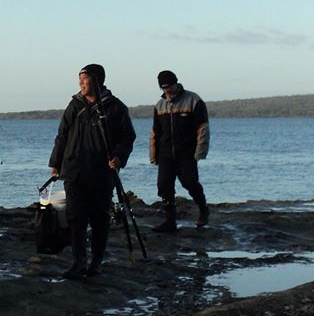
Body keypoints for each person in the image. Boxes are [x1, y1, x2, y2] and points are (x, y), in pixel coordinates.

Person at [48, 64, 136, 279]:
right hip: (74, 170)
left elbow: (128, 137)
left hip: (101, 172)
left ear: (97, 80)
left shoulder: (115, 107)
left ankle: (96, 261)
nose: (81, 84)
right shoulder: (74, 105)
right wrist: (55, 163)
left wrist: (118, 157)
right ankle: (78, 262)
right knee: (75, 218)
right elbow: (62, 135)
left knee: (99, 218)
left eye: (84, 80)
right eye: (79, 80)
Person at [150, 70, 210, 231]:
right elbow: (155, 132)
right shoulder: (159, 105)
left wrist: (200, 152)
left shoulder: (193, 100)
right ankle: (170, 221)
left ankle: (203, 209)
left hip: (187, 153)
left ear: (176, 83)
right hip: (165, 154)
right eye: (163, 88)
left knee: (190, 182)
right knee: (163, 186)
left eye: (168, 86)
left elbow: (203, 128)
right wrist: (153, 155)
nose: (166, 91)